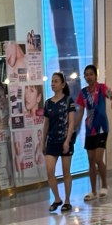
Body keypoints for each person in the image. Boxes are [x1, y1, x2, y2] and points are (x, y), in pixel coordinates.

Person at [42, 72, 77, 212]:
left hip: (65, 140)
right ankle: (57, 199)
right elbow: (46, 124)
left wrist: (67, 141)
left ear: (62, 84)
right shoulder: (48, 103)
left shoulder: (69, 101)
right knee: (49, 171)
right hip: (52, 140)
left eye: (56, 81)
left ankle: (67, 201)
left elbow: (71, 123)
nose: (53, 84)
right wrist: (43, 142)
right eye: (52, 81)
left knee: (66, 172)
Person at [76, 64, 111, 200]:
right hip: (89, 130)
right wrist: (74, 127)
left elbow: (111, 95)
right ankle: (93, 191)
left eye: (91, 74)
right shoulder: (83, 93)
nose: (89, 76)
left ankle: (105, 185)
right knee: (91, 161)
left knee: (98, 158)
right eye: (86, 74)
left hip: (102, 128)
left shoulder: (102, 88)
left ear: (96, 76)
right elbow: (80, 112)